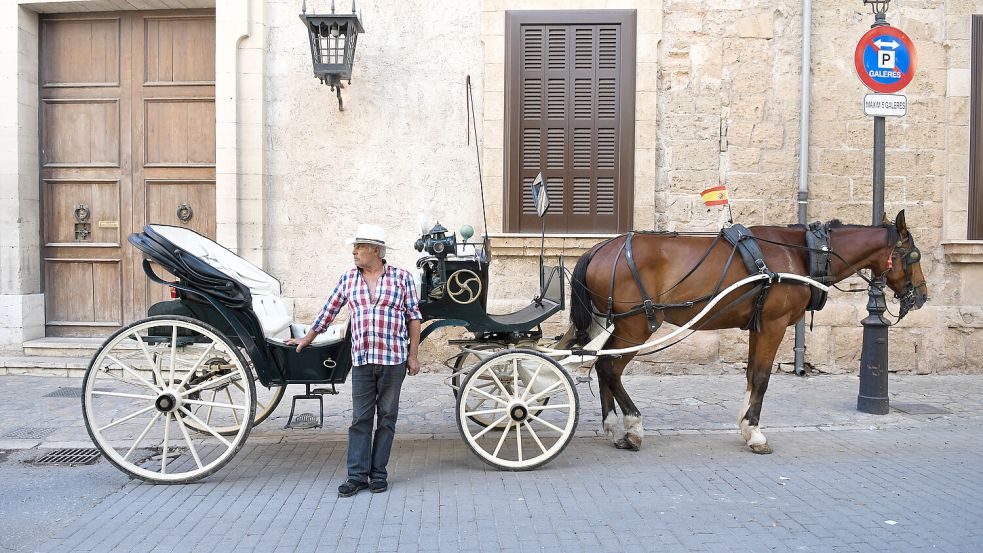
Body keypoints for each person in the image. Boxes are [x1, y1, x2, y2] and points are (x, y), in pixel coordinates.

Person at [288, 223, 422, 497]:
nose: (354, 251)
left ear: (376, 250)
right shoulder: (349, 279)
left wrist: (414, 355)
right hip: (361, 359)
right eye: (355, 247)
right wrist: (306, 339)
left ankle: (379, 474)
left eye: (359, 247)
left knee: (386, 418)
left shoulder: (402, 278)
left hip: (393, 359)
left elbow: (414, 318)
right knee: (360, 419)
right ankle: (357, 476)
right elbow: (328, 312)